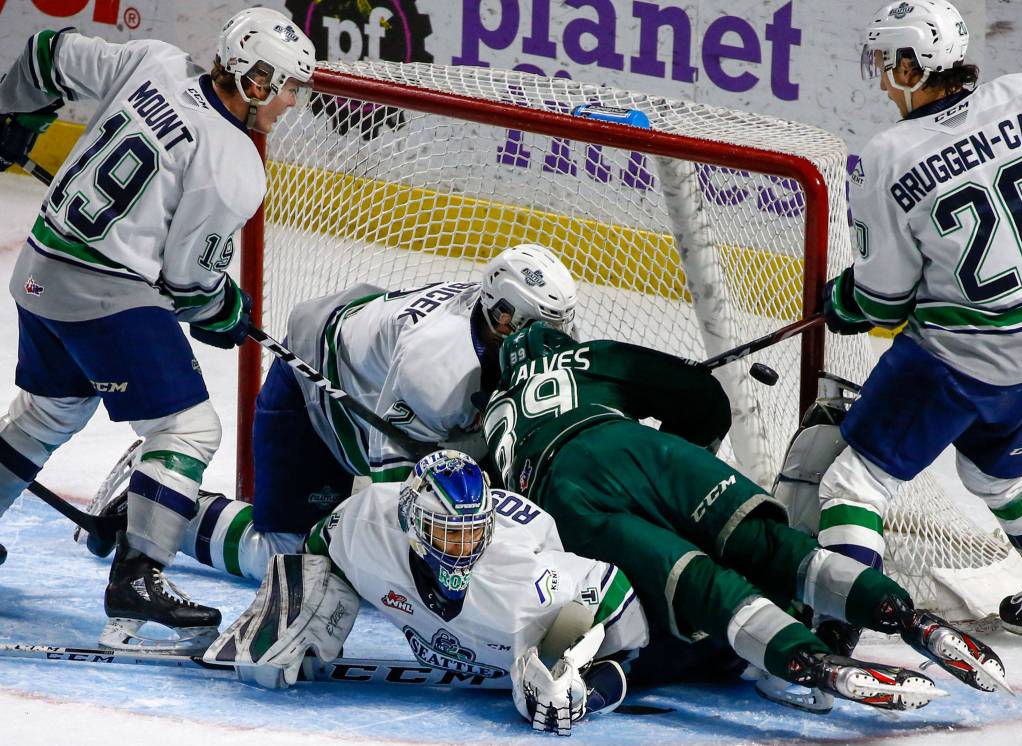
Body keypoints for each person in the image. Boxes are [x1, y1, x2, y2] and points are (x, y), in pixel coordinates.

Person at [480, 321, 1011, 712]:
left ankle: (809, 666)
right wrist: (676, 477)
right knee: (768, 542)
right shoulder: (586, 356)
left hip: (564, 498)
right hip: (636, 447)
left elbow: (504, 524)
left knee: (699, 585)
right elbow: (702, 398)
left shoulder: (488, 426)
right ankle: (909, 618)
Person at [0, 7, 314, 653]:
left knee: (49, 413)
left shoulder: (154, 61)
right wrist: (224, 310)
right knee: (188, 428)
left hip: (39, 268)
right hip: (101, 292)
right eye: (287, 86)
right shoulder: (234, 164)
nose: (291, 101)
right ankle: (137, 578)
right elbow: (188, 284)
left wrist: (14, 115)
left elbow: (47, 51)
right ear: (255, 80)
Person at [82, 244, 578, 578]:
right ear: (501, 316)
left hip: (378, 372)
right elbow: (395, 496)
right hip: (316, 390)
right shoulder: (438, 368)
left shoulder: (516, 333)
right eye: (540, 325)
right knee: (291, 557)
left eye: (558, 326)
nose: (553, 340)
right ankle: (158, 504)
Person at [819, 0, 1022, 635]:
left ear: (913, 65)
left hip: (957, 360)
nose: (884, 79)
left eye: (889, 63)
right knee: (995, 476)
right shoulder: (1018, 95)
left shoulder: (890, 155)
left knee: (854, 485)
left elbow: (884, 299)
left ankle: (841, 627)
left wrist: (843, 301)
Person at [203, 450, 648, 736]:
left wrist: (580, 683)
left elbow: (613, 589)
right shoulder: (368, 521)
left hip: (554, 569)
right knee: (267, 551)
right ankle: (188, 510)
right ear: (411, 524)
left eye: (472, 534)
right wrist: (305, 603)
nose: (462, 550)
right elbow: (321, 542)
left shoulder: (521, 576)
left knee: (556, 694)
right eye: (447, 534)